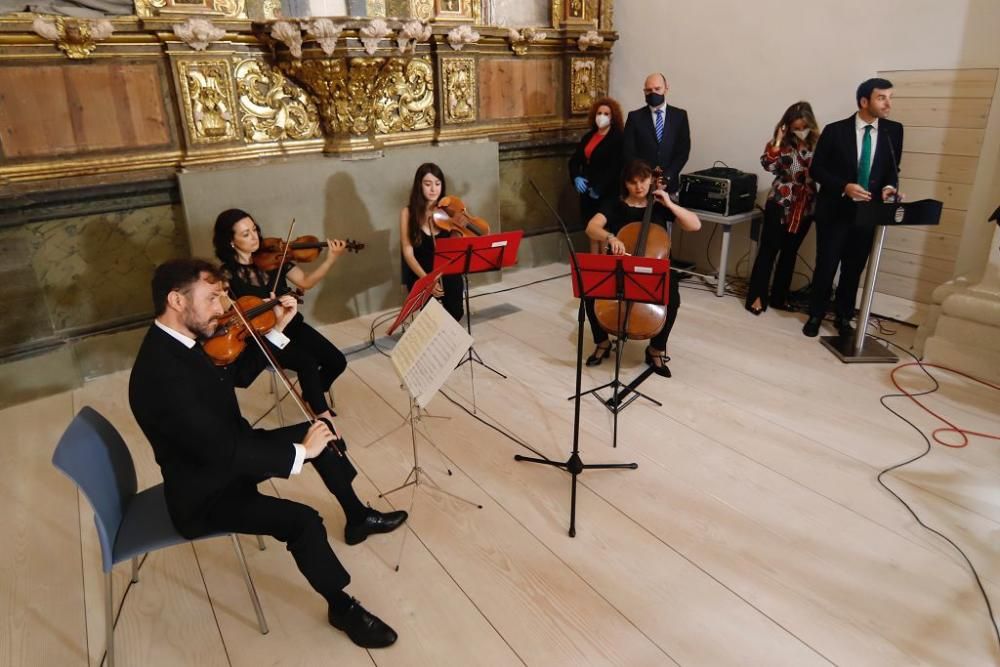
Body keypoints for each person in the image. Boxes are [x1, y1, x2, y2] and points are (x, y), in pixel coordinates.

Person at [129, 258, 407, 648]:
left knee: (320, 434)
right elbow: (224, 452)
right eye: (211, 298)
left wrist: (275, 327)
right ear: (176, 300)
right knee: (304, 521)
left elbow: (236, 376)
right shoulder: (162, 375)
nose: (222, 309)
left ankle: (358, 517)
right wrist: (296, 454)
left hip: (227, 457)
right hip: (206, 493)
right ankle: (341, 606)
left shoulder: (180, 341)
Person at [213, 209, 347, 420]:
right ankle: (321, 416)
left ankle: (312, 395)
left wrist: (331, 259)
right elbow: (226, 315)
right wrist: (256, 308)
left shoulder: (274, 258)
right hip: (263, 337)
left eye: (254, 229)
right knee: (307, 363)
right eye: (245, 234)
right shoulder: (225, 275)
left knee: (338, 361)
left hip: (292, 324)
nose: (255, 237)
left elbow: (306, 282)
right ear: (230, 241)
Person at [803, 78, 903, 337]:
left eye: (890, 97)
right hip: (835, 209)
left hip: (869, 212)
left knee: (854, 267)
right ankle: (815, 314)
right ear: (864, 101)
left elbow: (892, 170)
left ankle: (844, 316)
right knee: (827, 264)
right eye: (882, 97)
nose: (888, 103)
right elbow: (817, 169)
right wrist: (844, 186)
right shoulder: (835, 130)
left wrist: (889, 187)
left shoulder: (895, 131)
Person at [584, 160, 702, 375]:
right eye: (633, 182)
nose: (639, 187)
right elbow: (591, 227)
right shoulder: (614, 203)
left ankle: (656, 349)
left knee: (672, 299)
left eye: (644, 181)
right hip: (621, 265)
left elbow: (695, 225)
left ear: (651, 180)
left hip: (653, 268)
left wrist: (669, 202)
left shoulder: (659, 205)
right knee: (591, 293)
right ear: (625, 184)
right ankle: (602, 343)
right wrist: (610, 237)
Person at [746, 102, 820, 315]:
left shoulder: (818, 144)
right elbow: (768, 165)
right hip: (780, 202)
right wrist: (778, 139)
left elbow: (822, 170)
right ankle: (757, 297)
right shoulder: (780, 144)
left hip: (806, 205)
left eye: (804, 126)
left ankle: (780, 297)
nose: (800, 131)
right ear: (787, 126)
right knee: (768, 251)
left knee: (790, 253)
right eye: (795, 127)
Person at [569, 97, 626, 365]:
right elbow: (576, 162)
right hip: (587, 194)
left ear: (613, 116)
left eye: (606, 113)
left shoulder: (618, 138)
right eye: (598, 113)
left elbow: (616, 169)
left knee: (602, 232)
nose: (601, 116)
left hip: (606, 194)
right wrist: (577, 177)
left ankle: (604, 274)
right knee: (589, 233)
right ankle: (594, 275)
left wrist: (599, 188)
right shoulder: (589, 136)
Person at [400, 162, 464, 322]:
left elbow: (453, 249)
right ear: (419, 185)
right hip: (421, 272)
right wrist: (427, 281)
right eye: (427, 184)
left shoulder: (448, 211)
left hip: (446, 270)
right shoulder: (407, 213)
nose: (433, 189)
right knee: (430, 319)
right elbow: (408, 253)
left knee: (456, 313)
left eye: (437, 184)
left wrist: (458, 229)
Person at [622, 72, 691, 195]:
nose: (653, 93)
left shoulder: (679, 116)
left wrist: (667, 177)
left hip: (669, 185)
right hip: (641, 185)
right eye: (648, 90)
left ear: (666, 89)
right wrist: (646, 177)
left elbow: (683, 151)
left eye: (657, 89)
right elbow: (628, 151)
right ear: (644, 91)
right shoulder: (634, 117)